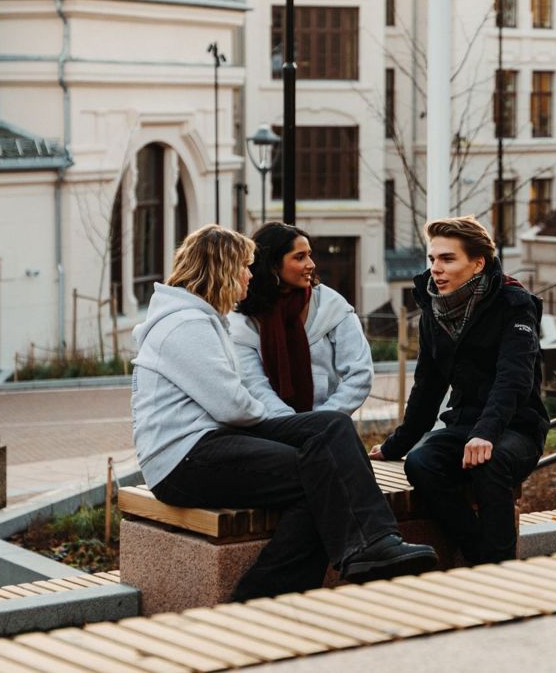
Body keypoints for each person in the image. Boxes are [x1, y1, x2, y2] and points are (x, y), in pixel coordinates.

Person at [131, 224, 436, 600]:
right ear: (222, 270)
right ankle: (262, 597)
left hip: (210, 445)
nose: (249, 274)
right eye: (244, 266)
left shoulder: (201, 318)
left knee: (332, 427)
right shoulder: (186, 324)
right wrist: (290, 426)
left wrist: (302, 427)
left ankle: (371, 546)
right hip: (183, 460)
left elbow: (235, 405)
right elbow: (232, 405)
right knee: (321, 473)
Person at [370, 216, 549, 565]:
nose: (436, 268)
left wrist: (486, 433)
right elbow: (427, 387)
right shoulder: (432, 309)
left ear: (477, 262)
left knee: (489, 461)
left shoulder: (514, 303)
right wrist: (397, 445)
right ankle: (481, 556)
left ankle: (499, 566)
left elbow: (513, 377)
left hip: (516, 427)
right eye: (432, 259)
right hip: (463, 425)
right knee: (421, 465)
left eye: (447, 259)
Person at [231, 222, 373, 416]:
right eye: (299, 257)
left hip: (329, 428)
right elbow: (254, 385)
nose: (311, 264)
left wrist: (322, 420)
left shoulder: (331, 305)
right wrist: (293, 425)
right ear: (272, 264)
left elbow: (360, 374)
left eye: (309, 254)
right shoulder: (244, 319)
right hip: (271, 429)